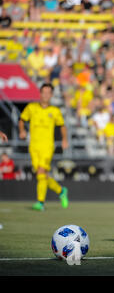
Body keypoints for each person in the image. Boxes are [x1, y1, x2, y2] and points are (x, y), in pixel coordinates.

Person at [18, 83, 69, 211]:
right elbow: (21, 120)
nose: (45, 95)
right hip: (33, 146)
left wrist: (64, 139)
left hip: (47, 147)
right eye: (43, 92)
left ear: (51, 95)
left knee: (41, 172)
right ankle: (61, 190)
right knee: (42, 175)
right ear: (40, 93)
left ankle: (40, 203)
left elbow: (62, 126)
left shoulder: (55, 111)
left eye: (48, 93)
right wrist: (22, 130)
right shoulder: (31, 107)